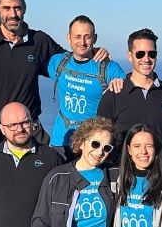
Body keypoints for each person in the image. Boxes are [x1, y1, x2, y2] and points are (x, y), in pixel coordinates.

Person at [0, 0, 108, 149]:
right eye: (6, 8)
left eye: (17, 8)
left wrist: (93, 51)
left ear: (24, 9)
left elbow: (71, 65)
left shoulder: (39, 41)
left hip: (31, 132)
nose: (12, 14)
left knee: (51, 169)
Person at [98, 28, 162, 157]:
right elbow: (101, 137)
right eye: (140, 54)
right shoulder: (114, 95)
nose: (146, 59)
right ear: (129, 56)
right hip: (122, 173)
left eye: (151, 54)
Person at [46, 15, 126, 150]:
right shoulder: (58, 62)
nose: (82, 42)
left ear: (94, 38)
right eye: (77, 36)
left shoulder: (109, 68)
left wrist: (122, 81)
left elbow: (130, 88)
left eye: (87, 37)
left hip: (92, 144)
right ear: (68, 38)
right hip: (61, 141)